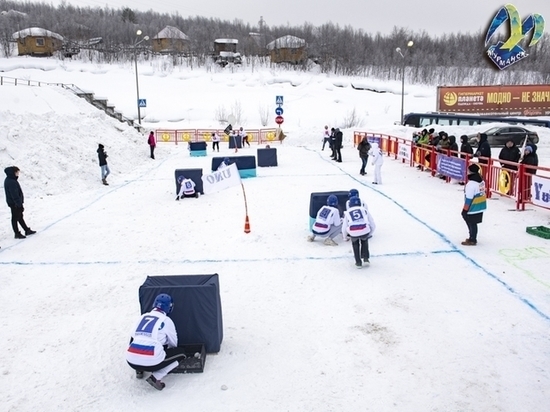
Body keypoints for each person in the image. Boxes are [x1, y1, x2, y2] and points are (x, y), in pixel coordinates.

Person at [126, 293, 188, 391]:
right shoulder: (166, 321)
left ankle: (139, 370)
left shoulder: (143, 316)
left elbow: (133, 335)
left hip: (131, 361)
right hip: (152, 362)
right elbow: (173, 343)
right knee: (181, 354)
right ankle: (155, 377)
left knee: (137, 339)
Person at [4, 166, 36, 239]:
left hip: (14, 202)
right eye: (17, 172)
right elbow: (14, 194)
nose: (18, 173)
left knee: (19, 217)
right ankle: (17, 233)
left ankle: (26, 230)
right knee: (15, 218)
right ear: (13, 172)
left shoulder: (11, 180)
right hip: (14, 203)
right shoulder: (11, 182)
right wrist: (19, 204)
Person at [342, 196, 371, 268]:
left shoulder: (347, 212)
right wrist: (369, 232)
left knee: (355, 244)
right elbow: (372, 223)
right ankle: (366, 258)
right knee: (364, 241)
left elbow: (344, 227)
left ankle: (358, 262)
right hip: (364, 229)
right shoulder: (364, 210)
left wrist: (345, 237)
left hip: (353, 232)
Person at [461, 163, 487, 246]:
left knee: (470, 221)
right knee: (473, 222)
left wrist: (465, 209)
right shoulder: (481, 181)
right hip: (480, 205)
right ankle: (472, 237)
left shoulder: (471, 184)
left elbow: (469, 198)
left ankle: (472, 238)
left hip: (473, 206)